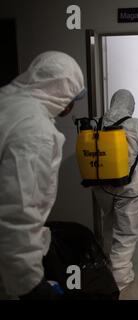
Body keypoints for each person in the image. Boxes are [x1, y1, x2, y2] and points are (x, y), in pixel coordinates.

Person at [0, 51, 85, 298]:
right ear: (62, 91)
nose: (71, 106)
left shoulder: (7, 102)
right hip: (9, 265)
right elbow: (18, 212)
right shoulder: (34, 130)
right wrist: (30, 285)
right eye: (73, 98)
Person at [93, 89, 138, 291]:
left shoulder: (97, 123)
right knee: (126, 233)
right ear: (130, 105)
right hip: (129, 187)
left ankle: (107, 263)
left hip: (101, 187)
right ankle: (119, 278)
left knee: (109, 222)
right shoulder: (136, 125)